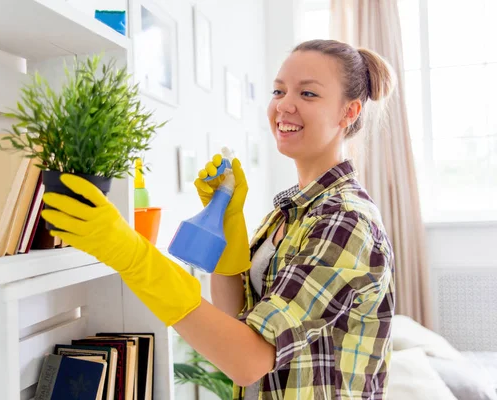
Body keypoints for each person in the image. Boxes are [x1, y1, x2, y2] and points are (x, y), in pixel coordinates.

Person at [41, 39, 396, 400]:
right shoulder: (288, 212)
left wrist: (135, 257)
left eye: (307, 94)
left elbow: (247, 359)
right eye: (279, 90)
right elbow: (234, 319)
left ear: (348, 113)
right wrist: (229, 220)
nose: (284, 105)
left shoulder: (345, 221)